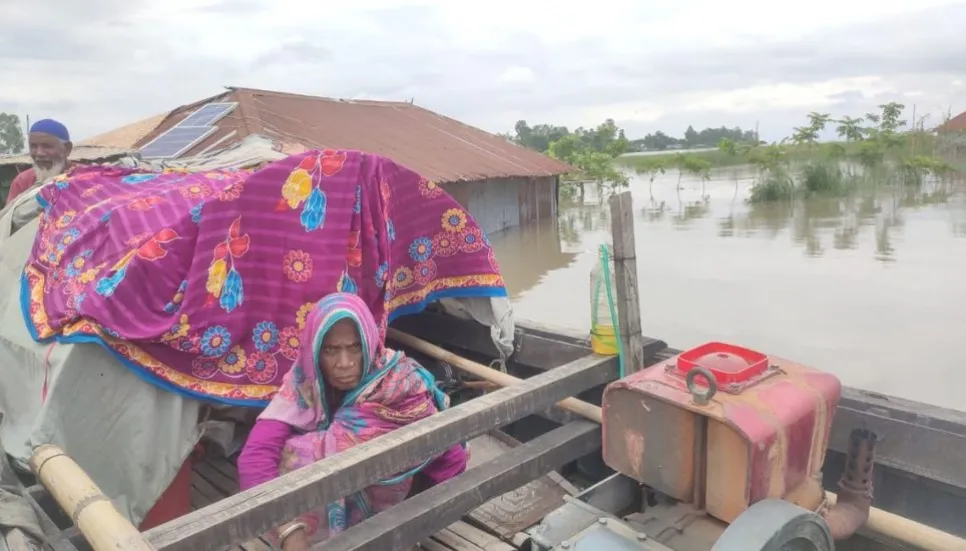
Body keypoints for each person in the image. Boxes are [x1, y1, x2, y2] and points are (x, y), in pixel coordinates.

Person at [238, 292, 469, 551]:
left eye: (355, 347)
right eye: (330, 350)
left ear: (369, 343)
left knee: (336, 445)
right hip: (311, 534)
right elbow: (255, 456)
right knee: (287, 453)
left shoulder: (401, 387)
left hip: (388, 516)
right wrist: (290, 532)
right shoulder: (305, 380)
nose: (344, 363)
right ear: (314, 352)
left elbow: (452, 460)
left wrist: (410, 523)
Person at [6, 119, 73, 205]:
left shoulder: (86, 177)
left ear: (66, 149)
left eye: (47, 146)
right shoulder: (23, 181)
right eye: (33, 146)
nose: (39, 153)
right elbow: (10, 215)